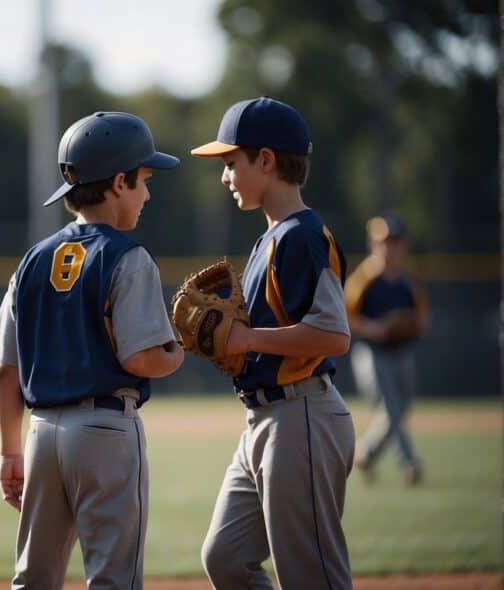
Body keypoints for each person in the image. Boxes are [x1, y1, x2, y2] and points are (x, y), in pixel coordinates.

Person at [0, 111, 185, 588]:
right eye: (143, 181)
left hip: (41, 435)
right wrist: (182, 348)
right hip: (104, 432)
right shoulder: (127, 256)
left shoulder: (33, 259)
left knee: (33, 578)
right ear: (118, 182)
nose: (147, 193)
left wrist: (9, 453)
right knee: (113, 577)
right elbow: (141, 359)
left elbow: (5, 371)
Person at [191, 97, 356, 589]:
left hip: (301, 417)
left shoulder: (303, 235)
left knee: (311, 576)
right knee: (225, 557)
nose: (225, 176)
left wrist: (245, 337)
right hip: (263, 420)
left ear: (265, 160)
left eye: (230, 163)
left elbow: (334, 334)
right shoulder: (270, 237)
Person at [345, 213, 428, 485]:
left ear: (402, 244)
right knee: (392, 409)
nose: (389, 246)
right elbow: (345, 319)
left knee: (398, 411)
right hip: (371, 353)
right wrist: (376, 328)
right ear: (373, 242)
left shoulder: (408, 281)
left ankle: (365, 452)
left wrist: (408, 325)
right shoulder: (364, 279)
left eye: (394, 240)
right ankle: (409, 462)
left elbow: (421, 318)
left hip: (401, 353)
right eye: (384, 240)